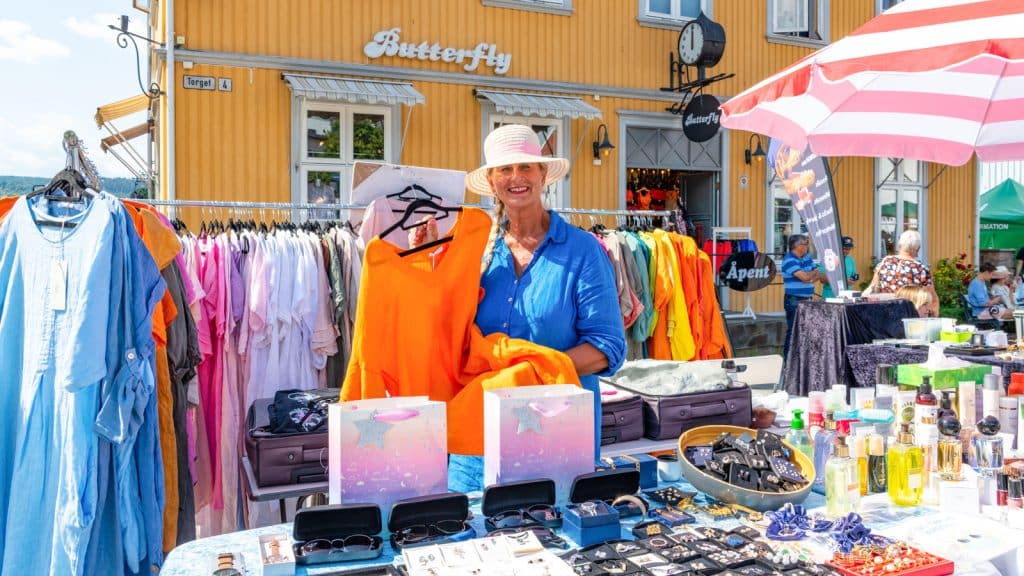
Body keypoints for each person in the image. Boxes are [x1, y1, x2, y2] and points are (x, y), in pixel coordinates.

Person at [418, 124, 626, 492]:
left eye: (526, 167)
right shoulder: (472, 252)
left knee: (557, 541)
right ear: (493, 181)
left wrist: (526, 373)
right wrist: (424, 260)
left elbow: (607, 348)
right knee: (467, 539)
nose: (516, 177)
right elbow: (442, 333)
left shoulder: (583, 251)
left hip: (557, 435)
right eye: (505, 169)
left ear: (543, 174)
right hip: (475, 441)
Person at [865, 229, 940, 317]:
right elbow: (932, 298)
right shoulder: (921, 269)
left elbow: (873, 286)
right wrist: (935, 316)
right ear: (918, 248)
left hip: (885, 314)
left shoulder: (884, 262)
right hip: (909, 316)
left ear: (900, 246)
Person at [781, 234, 825, 360]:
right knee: (793, 331)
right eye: (805, 244)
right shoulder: (789, 260)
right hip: (794, 299)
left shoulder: (806, 257)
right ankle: (788, 360)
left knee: (807, 330)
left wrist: (809, 276)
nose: (807, 246)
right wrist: (810, 276)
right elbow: (806, 277)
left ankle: (802, 359)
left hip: (807, 299)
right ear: (797, 246)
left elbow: (817, 275)